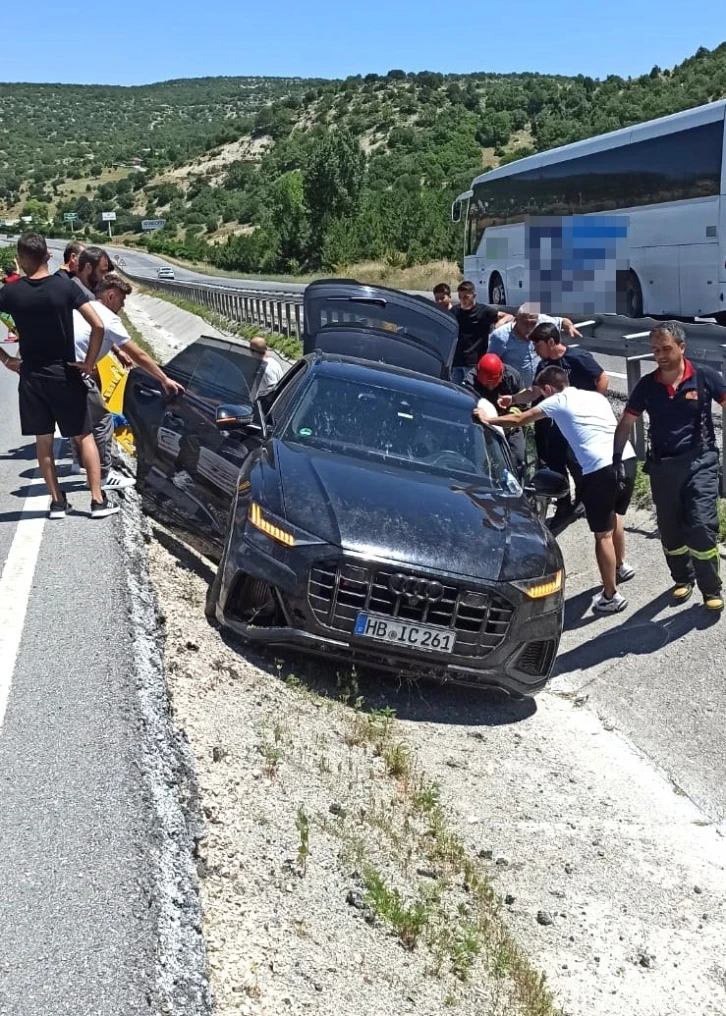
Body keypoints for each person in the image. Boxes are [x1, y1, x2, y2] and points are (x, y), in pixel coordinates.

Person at [480, 365, 637, 614]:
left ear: (549, 389)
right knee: (615, 514)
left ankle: (611, 595)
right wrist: (514, 398)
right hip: (626, 459)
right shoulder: (594, 396)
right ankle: (620, 566)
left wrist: (488, 420)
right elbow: (527, 398)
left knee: (602, 535)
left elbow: (520, 419)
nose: (542, 397)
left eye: (542, 393)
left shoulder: (557, 401)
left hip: (599, 470)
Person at [0, 232, 119, 519]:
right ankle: (97, 500)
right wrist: (89, 363)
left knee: (44, 440)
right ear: (48, 256)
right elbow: (98, 326)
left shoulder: (11, 293)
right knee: (84, 436)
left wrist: (6, 359)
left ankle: (56, 502)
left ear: (20, 260)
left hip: (31, 376)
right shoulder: (64, 289)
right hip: (65, 372)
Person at [614, 321, 726, 612]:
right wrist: (617, 461)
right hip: (663, 467)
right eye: (655, 349)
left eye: (665, 348)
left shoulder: (704, 377)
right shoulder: (648, 386)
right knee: (671, 530)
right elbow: (626, 423)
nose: (660, 354)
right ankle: (682, 579)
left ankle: (711, 588)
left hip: (700, 460)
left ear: (681, 347)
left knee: (701, 525)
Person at [72, 272, 185, 489]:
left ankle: (80, 462)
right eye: (122, 300)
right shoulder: (108, 317)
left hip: (58, 370)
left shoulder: (83, 308)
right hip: (79, 374)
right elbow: (139, 355)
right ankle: (104, 475)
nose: (122, 307)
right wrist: (164, 379)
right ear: (111, 295)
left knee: (77, 423)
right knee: (103, 420)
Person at [530, 321, 609, 529]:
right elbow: (535, 391)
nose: (536, 351)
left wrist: (593, 403)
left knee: (578, 463)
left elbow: (602, 378)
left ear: (551, 341)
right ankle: (563, 504)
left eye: (538, 346)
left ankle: (584, 501)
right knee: (555, 462)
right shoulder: (544, 366)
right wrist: (512, 399)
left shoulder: (577, 358)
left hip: (579, 424)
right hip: (556, 425)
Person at [462, 352, 527, 476]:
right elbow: (467, 403)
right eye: (486, 384)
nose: (491, 387)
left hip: (509, 426)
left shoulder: (513, 377)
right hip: (483, 426)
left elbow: (523, 405)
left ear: (501, 375)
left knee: (517, 458)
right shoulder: (471, 380)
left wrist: (509, 411)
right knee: (480, 460)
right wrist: (477, 409)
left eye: (494, 383)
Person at [488, 304, 582, 389]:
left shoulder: (542, 321)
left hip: (539, 389)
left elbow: (562, 321)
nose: (529, 328)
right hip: (514, 389)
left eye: (533, 323)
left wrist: (570, 326)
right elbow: (491, 363)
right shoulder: (500, 337)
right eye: (525, 323)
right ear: (516, 319)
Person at [450, 281, 513, 385]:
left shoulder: (484, 311)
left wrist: (499, 324)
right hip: (456, 361)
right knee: (455, 391)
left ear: (474, 296)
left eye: (466, 297)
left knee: (469, 390)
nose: (463, 300)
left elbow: (508, 316)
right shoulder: (455, 311)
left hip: (474, 361)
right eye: (460, 297)